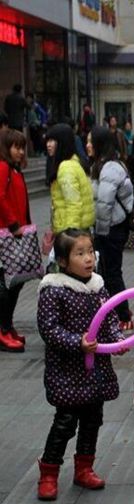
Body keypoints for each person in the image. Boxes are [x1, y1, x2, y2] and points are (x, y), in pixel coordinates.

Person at [36, 229, 125, 501]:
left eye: (90, 252)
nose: (88, 259)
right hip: (67, 370)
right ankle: (49, 473)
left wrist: (117, 340)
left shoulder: (97, 284)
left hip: (95, 369)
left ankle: (84, 468)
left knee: (92, 420)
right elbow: (49, 329)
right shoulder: (53, 289)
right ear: (63, 261)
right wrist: (78, 342)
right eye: (79, 253)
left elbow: (107, 318)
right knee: (65, 422)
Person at [89, 126, 134, 330]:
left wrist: (99, 232)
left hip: (111, 229)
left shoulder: (109, 168)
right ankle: (115, 313)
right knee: (108, 272)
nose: (87, 145)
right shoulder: (103, 165)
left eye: (91, 141)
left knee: (112, 273)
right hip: (111, 228)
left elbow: (104, 205)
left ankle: (123, 314)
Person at [0, 129, 30, 352]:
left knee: (16, 284)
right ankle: (2, 330)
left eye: (22, 147)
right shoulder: (3, 168)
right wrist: (13, 224)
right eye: (16, 147)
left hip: (17, 236)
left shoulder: (15, 171)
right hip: (5, 236)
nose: (20, 152)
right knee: (6, 286)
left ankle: (7, 326)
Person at [46, 124, 95, 234]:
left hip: (69, 229)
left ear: (63, 142)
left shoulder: (66, 167)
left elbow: (74, 204)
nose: (48, 145)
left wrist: (71, 235)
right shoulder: (73, 162)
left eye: (52, 141)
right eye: (47, 141)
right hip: (75, 227)